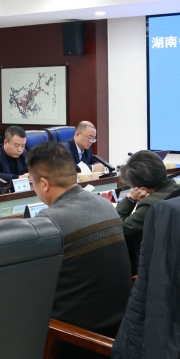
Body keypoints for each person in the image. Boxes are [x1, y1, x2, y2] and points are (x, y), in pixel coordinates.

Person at [28, 142, 132, 348]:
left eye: (32, 183)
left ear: (44, 184)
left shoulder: (49, 222)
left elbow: (32, 286)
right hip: (122, 328)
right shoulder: (105, 205)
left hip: (76, 339)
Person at [117, 150, 180, 272]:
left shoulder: (151, 206)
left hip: (158, 268)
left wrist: (130, 200)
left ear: (142, 188)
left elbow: (117, 230)